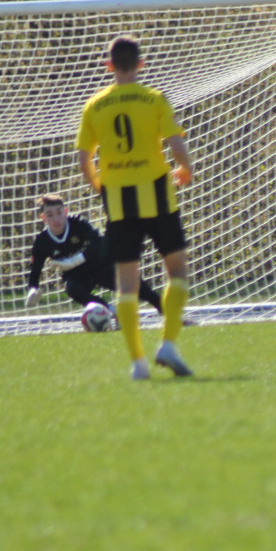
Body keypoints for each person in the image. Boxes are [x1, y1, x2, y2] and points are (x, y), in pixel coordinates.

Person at [76, 35, 195, 380]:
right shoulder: (154, 98)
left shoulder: (94, 105)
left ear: (108, 66)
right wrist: (185, 168)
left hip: (118, 199)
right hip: (158, 194)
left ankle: (138, 363)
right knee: (177, 273)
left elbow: (84, 160)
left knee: (126, 285)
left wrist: (100, 186)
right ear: (141, 64)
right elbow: (176, 145)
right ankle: (168, 344)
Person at [24, 193, 164, 315]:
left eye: (59, 213)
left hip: (101, 266)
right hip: (77, 276)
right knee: (73, 289)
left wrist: (73, 262)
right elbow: (35, 272)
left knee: (133, 284)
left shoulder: (78, 223)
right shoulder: (42, 241)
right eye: (50, 215)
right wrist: (33, 290)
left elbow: (99, 242)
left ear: (65, 212)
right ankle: (110, 311)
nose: (56, 219)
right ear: (43, 218)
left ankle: (165, 308)